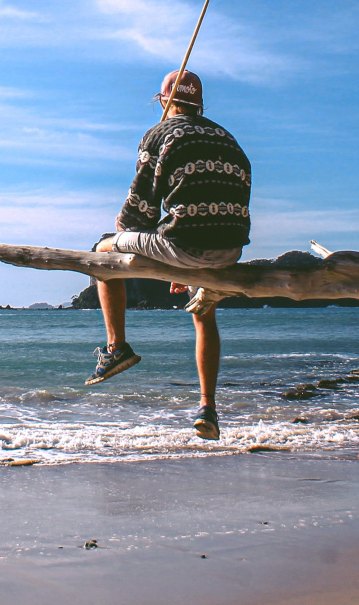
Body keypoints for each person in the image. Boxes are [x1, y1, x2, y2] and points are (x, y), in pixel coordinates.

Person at [86, 69, 251, 441]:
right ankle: (207, 408)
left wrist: (125, 226)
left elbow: (139, 214)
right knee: (203, 309)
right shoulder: (228, 138)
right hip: (230, 249)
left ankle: (117, 348)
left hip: (185, 245)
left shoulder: (159, 134)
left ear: (164, 100)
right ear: (201, 103)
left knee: (102, 250)